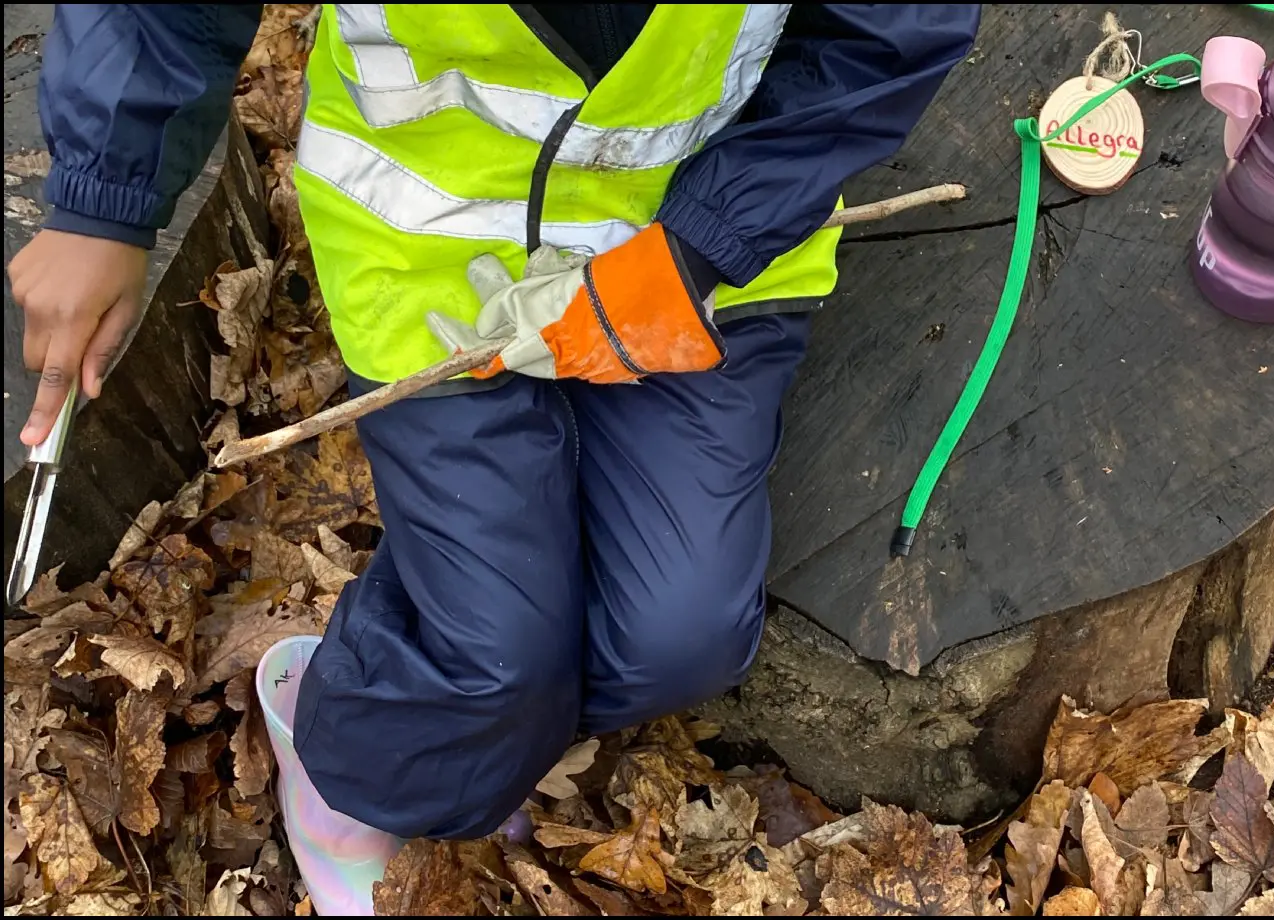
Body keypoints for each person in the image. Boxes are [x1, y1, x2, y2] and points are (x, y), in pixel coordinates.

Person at [10, 2, 980, 909]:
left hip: (695, 253)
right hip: (430, 246)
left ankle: (479, 711)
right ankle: (355, 754)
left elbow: (892, 28)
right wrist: (107, 195)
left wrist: (704, 242)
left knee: (679, 642)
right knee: (496, 661)